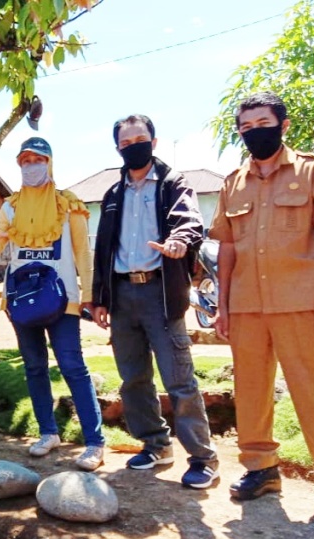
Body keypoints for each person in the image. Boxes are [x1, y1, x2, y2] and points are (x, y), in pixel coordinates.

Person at [210, 92, 314, 525]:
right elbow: (228, 248)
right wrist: (224, 306)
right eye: (247, 127)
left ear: (283, 125)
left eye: (263, 123)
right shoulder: (233, 182)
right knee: (251, 394)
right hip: (248, 306)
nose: (255, 132)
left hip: (302, 304)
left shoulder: (311, 171)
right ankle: (261, 469)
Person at [91, 115, 219, 488]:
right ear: (118, 147)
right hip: (121, 295)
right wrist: (100, 297)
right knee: (133, 379)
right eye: (126, 142)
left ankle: (203, 458)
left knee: (179, 380)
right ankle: (156, 445)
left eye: (140, 139)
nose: (134, 146)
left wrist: (179, 243)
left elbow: (188, 221)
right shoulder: (113, 195)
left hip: (160, 294)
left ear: (154, 142)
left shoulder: (172, 183)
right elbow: (102, 249)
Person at [0, 137, 105, 471]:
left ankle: (94, 442)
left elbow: (82, 253)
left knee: (72, 366)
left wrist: (90, 297)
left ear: (49, 162)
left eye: (37, 159)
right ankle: (48, 432)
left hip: (62, 299)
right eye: (24, 160)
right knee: (34, 366)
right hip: (21, 300)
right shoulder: (10, 206)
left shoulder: (69, 204)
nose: (30, 166)